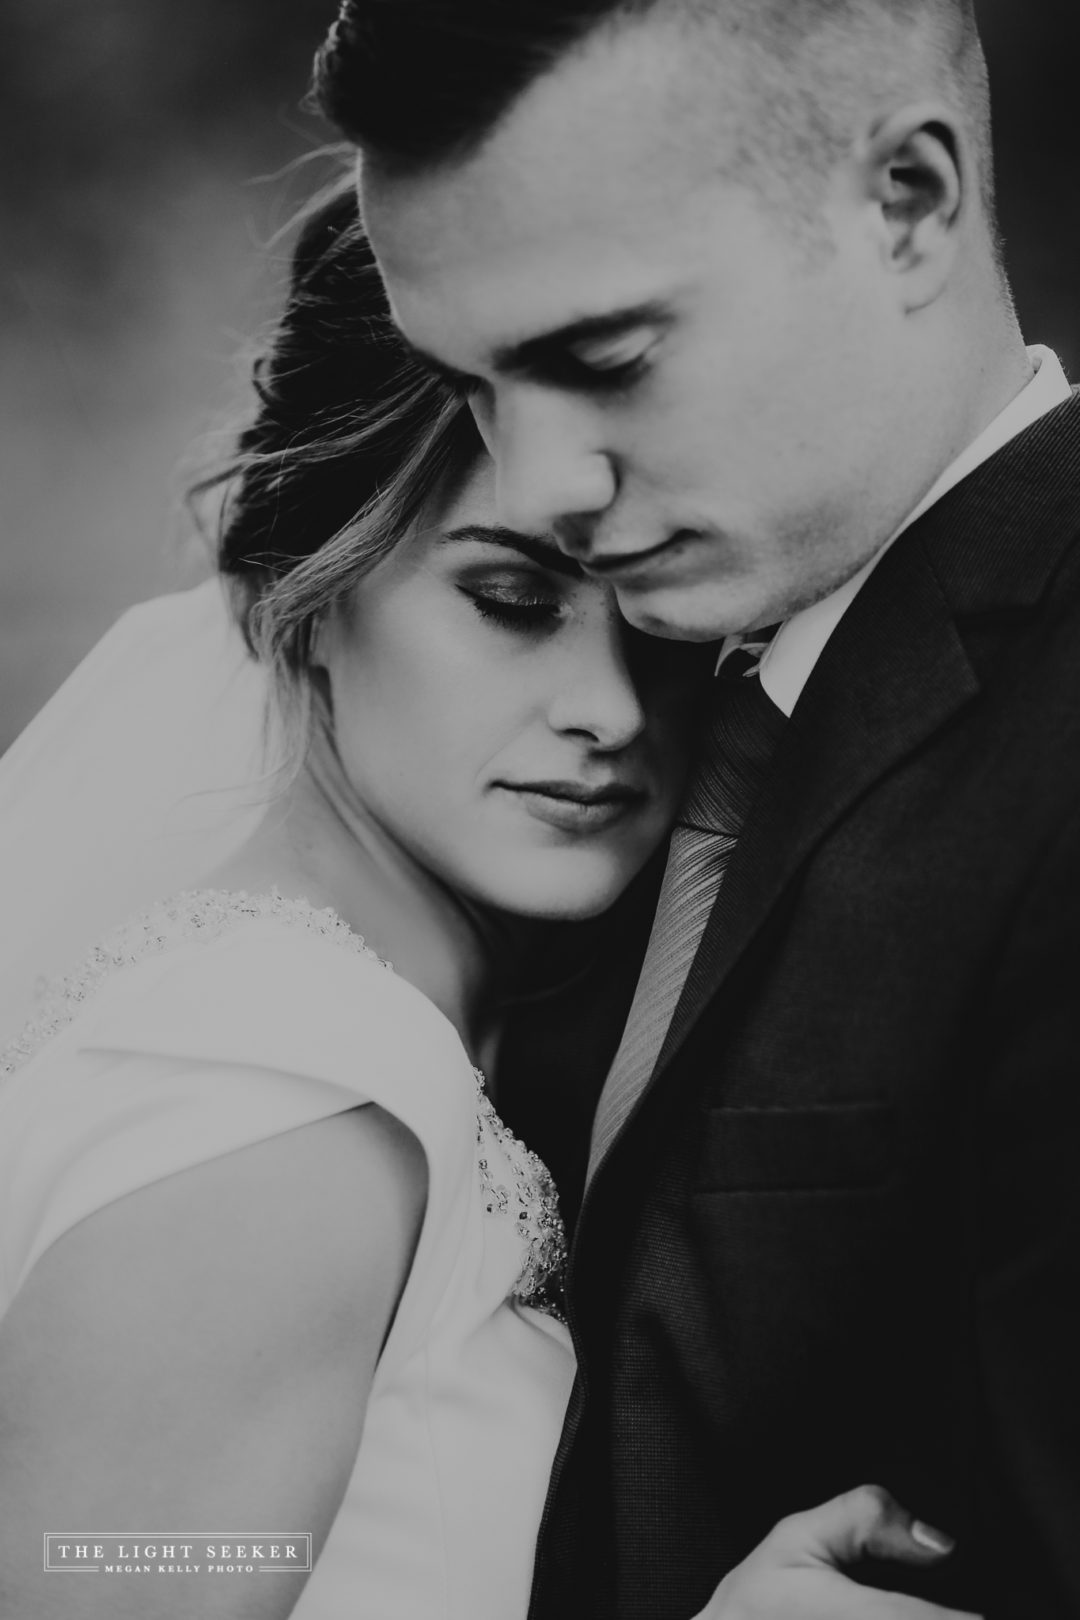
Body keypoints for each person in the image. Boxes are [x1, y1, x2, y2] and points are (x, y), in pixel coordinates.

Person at [313, 1, 1080, 1616]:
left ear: (909, 204)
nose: (534, 488)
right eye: (471, 388)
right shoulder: (635, 764)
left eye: (603, 361)